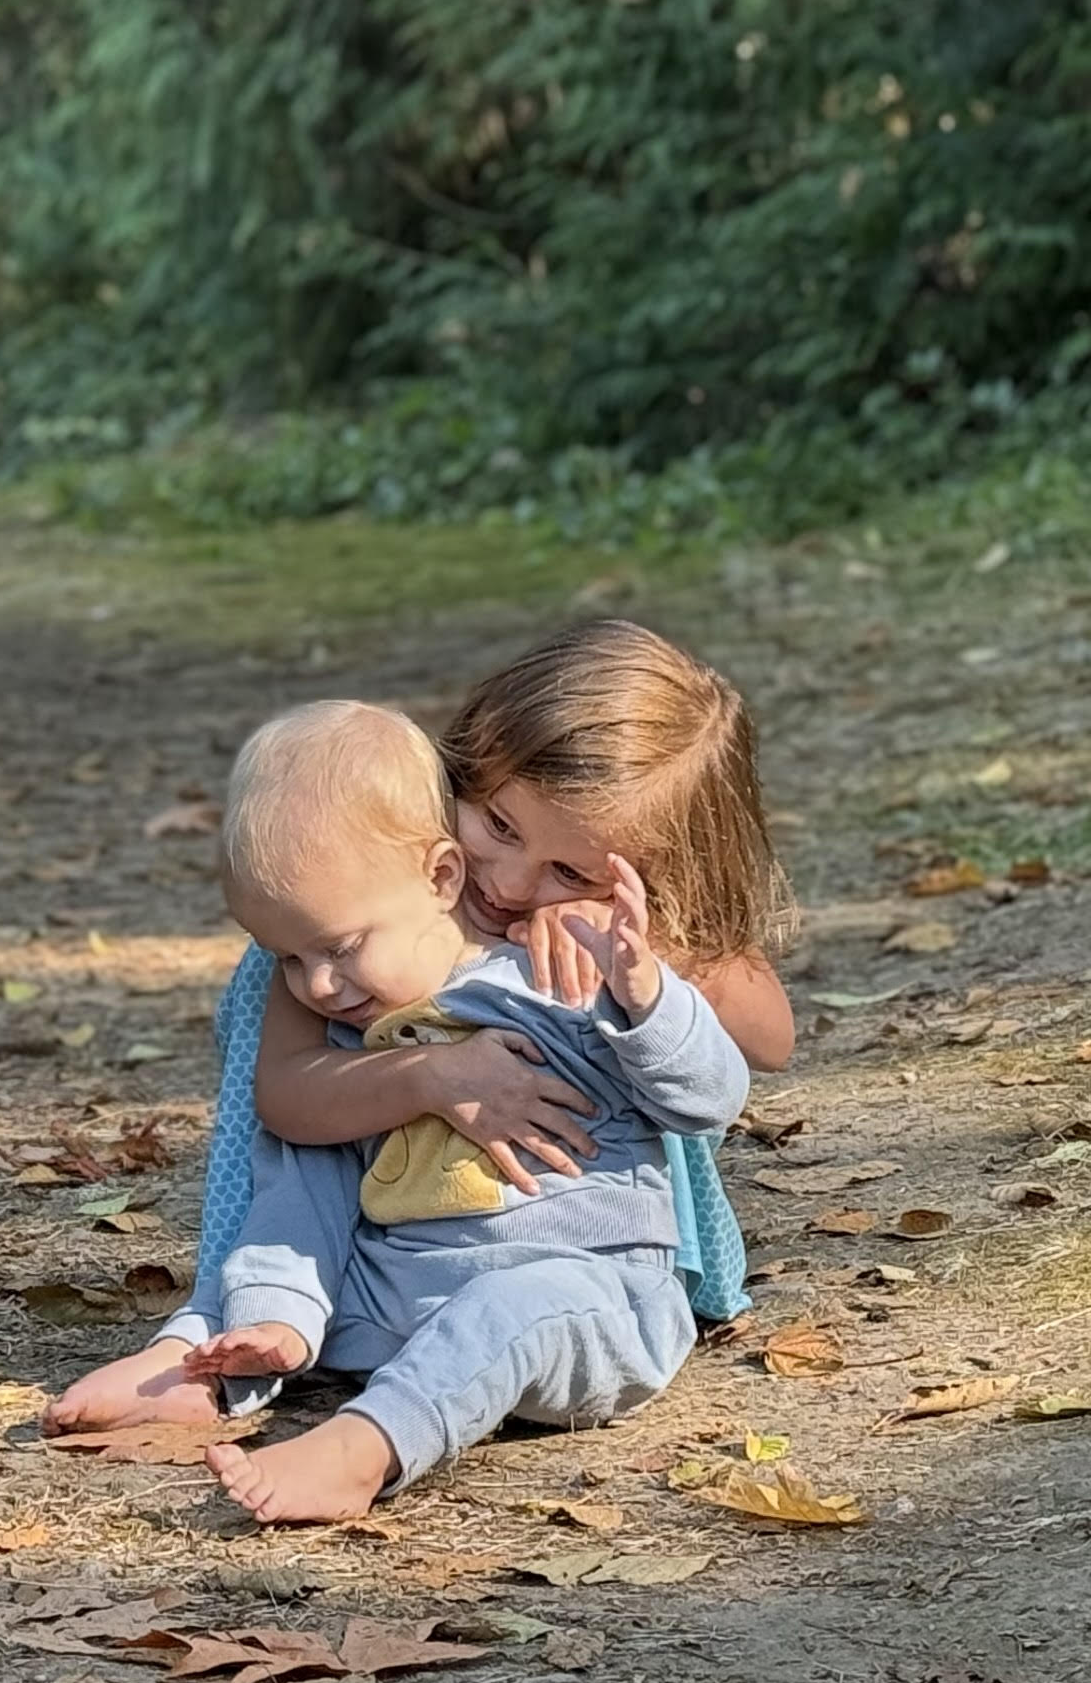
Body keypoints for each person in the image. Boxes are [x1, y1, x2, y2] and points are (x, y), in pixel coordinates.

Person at [43, 622, 794, 1492]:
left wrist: (634, 946)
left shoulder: (603, 948)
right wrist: (436, 1076)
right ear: (465, 774)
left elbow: (766, 1037)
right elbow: (285, 1099)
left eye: (568, 869)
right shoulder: (344, 925)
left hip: (572, 1268)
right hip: (400, 1264)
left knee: (511, 1310)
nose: (511, 884)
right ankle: (200, 1356)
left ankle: (368, 1446)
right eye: (500, 825)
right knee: (298, 1187)